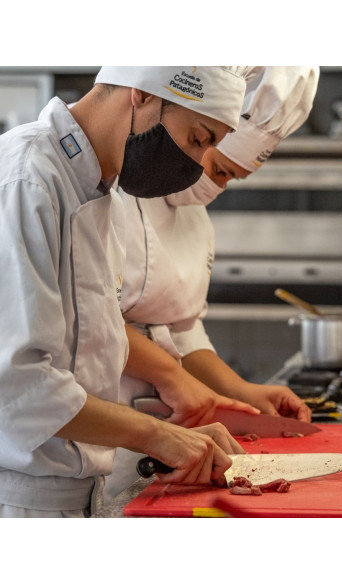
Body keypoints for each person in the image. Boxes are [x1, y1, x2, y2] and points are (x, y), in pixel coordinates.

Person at [0, 66, 260, 518]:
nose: (196, 165)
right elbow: (17, 385)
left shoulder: (104, 194)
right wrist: (156, 435)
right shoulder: (27, 179)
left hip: (77, 494)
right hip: (19, 501)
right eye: (197, 139)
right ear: (141, 94)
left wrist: (174, 437)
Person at [103, 66, 320, 503]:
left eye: (230, 178)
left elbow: (180, 328)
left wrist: (239, 390)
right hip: (100, 421)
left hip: (164, 435)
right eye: (217, 165)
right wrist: (169, 375)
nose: (216, 187)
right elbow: (92, 319)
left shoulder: (195, 216)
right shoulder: (106, 187)